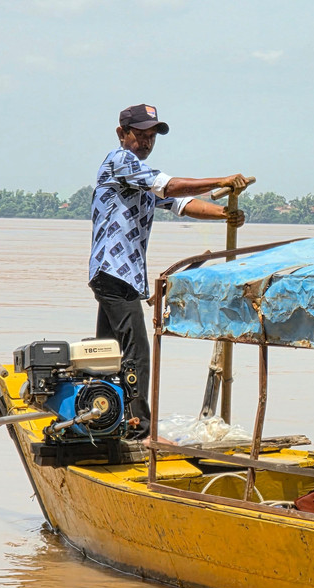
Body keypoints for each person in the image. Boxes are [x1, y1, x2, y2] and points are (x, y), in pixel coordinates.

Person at [88, 103, 250, 439]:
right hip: (112, 271)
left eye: (151, 137)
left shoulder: (141, 180)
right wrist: (220, 179)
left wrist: (223, 214)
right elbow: (172, 186)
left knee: (108, 351)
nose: (146, 142)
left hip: (125, 276)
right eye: (140, 135)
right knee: (137, 350)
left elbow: (181, 204)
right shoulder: (120, 162)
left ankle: (102, 416)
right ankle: (138, 428)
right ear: (122, 134)